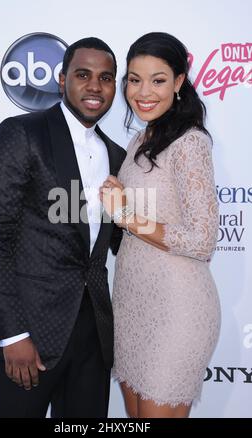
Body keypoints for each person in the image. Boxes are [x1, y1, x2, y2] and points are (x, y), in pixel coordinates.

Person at [0, 37, 126, 418]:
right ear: (62, 77)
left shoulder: (115, 155)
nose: (95, 86)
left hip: (93, 336)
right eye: (83, 75)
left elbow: (110, 240)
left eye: (106, 78)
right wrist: (13, 333)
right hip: (28, 332)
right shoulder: (23, 133)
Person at [100, 32, 220, 418]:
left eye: (158, 80)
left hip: (176, 310)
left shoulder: (190, 142)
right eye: (134, 80)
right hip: (132, 305)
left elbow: (202, 241)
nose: (143, 92)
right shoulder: (139, 141)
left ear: (179, 83)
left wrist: (126, 215)